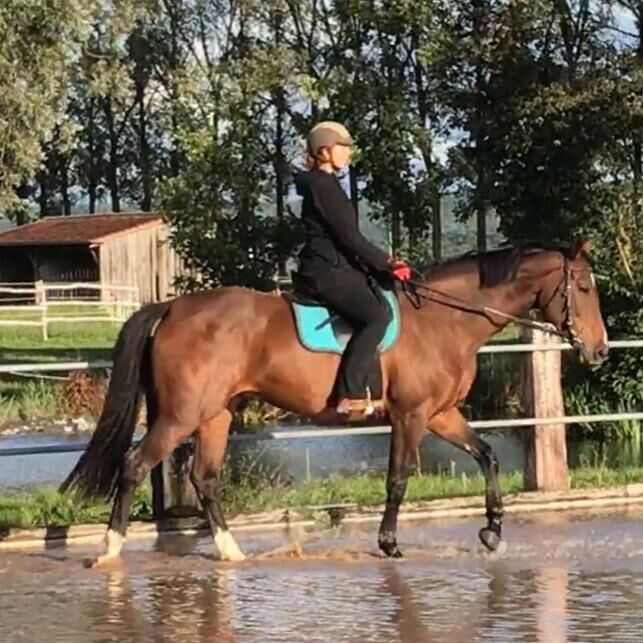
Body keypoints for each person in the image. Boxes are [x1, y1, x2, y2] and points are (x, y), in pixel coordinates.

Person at [292, 121, 412, 415]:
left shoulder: (325, 184)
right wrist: (387, 262)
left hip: (334, 267)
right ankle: (351, 393)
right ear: (324, 150)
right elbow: (349, 237)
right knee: (376, 317)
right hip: (327, 272)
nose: (348, 153)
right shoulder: (323, 185)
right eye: (342, 147)